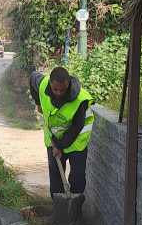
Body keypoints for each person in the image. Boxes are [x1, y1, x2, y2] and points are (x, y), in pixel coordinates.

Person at [29, 65, 94, 205]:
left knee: (77, 177)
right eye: (55, 89)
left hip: (77, 140)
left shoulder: (79, 99)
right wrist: (38, 103)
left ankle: (75, 211)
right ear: (50, 84)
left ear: (68, 83)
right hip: (53, 138)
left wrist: (60, 146)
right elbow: (32, 77)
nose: (59, 93)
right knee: (56, 174)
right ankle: (59, 209)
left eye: (63, 90)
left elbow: (77, 126)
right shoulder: (42, 84)